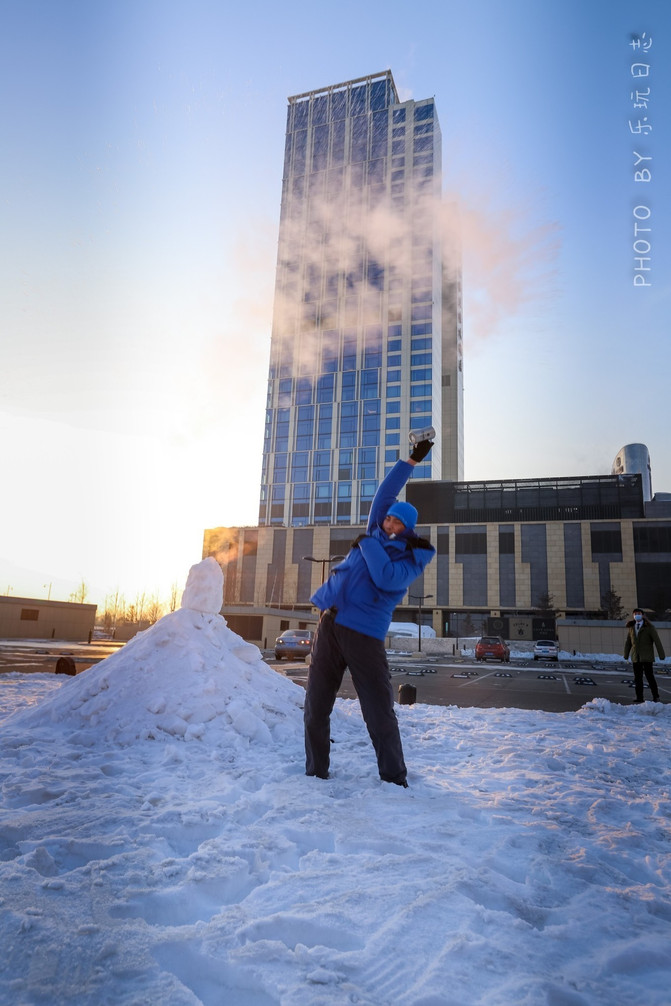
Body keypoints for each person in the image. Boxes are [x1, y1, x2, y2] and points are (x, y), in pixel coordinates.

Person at [304, 437, 436, 786]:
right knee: (315, 706)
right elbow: (385, 492)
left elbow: (385, 576)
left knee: (378, 711)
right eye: (388, 518)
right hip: (330, 623)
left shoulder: (410, 558)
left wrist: (367, 544)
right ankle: (315, 772)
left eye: (396, 522)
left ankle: (393, 777)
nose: (389, 523)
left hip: (364, 634)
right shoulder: (375, 531)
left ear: (407, 529)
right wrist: (411, 460)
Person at [624, 607, 665, 703]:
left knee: (650, 677)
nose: (637, 615)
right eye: (635, 614)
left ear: (642, 615)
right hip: (636, 657)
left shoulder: (649, 627)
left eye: (639, 613)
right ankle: (639, 697)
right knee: (637, 678)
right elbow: (628, 642)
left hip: (647, 657)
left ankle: (656, 696)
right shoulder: (632, 627)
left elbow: (657, 641)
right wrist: (626, 654)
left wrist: (661, 655)